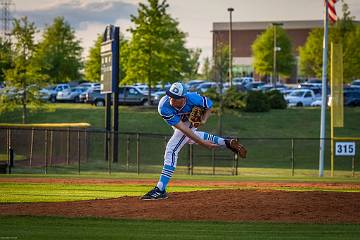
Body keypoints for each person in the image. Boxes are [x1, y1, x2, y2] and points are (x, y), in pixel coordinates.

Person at [141, 82, 245, 200]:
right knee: (189, 138)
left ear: (184, 98)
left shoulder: (193, 99)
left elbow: (209, 105)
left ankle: (160, 189)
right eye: (170, 95)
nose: (172, 99)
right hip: (181, 125)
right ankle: (226, 142)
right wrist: (202, 142)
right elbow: (182, 129)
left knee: (171, 149)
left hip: (189, 123)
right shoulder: (164, 106)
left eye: (176, 97)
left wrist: (204, 120)